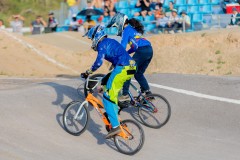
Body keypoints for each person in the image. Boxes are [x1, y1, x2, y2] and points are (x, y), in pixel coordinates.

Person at [81, 25, 137, 138]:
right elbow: (113, 67)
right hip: (131, 67)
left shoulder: (102, 44)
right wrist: (103, 83)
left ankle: (115, 126)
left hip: (123, 68)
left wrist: (88, 72)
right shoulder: (110, 41)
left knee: (107, 97)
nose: (92, 41)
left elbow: (98, 62)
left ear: (96, 36)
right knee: (111, 90)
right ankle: (114, 113)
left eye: (92, 38)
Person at [106, 13, 153, 101]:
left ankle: (125, 94)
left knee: (128, 69)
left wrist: (115, 59)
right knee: (138, 73)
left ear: (120, 23)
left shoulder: (126, 31)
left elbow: (122, 47)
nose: (116, 28)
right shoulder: (133, 29)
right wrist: (127, 53)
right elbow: (134, 47)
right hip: (149, 50)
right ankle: (147, 93)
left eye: (116, 26)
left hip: (142, 51)